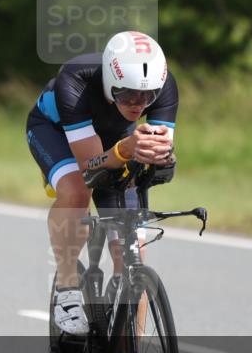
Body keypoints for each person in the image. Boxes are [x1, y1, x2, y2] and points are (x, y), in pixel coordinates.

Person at [26, 30, 177, 336]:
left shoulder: (164, 86)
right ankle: (67, 291)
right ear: (109, 81)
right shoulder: (76, 79)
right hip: (56, 133)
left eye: (147, 97)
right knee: (77, 190)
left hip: (116, 139)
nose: (138, 104)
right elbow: (90, 168)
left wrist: (162, 159)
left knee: (133, 252)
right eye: (128, 94)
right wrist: (125, 150)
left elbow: (159, 158)